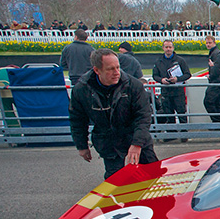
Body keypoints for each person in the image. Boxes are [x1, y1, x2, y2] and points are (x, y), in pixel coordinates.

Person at [69, 48, 158, 179]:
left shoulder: (133, 86)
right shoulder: (82, 89)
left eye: (118, 67)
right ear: (97, 70)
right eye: (110, 69)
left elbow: (143, 116)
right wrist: (81, 145)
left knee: (152, 177)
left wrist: (137, 143)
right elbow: (77, 119)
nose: (117, 73)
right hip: (108, 142)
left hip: (135, 137)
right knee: (116, 182)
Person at [152, 40, 191, 141]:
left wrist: (177, 79)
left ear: (173, 48)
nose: (168, 49)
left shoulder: (180, 60)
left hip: (178, 91)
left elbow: (187, 74)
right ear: (163, 48)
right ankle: (171, 134)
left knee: (181, 113)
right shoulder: (158, 61)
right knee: (168, 114)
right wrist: (161, 80)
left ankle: (184, 134)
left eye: (170, 47)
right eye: (166, 47)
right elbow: (154, 75)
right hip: (166, 91)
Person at [202, 35, 220, 122]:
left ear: (214, 43)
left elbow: (218, 68)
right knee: (216, 102)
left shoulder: (215, 54)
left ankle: (216, 120)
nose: (208, 45)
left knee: (208, 101)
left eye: (210, 43)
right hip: (215, 81)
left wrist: (211, 75)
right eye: (207, 43)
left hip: (216, 82)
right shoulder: (214, 53)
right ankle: (217, 120)